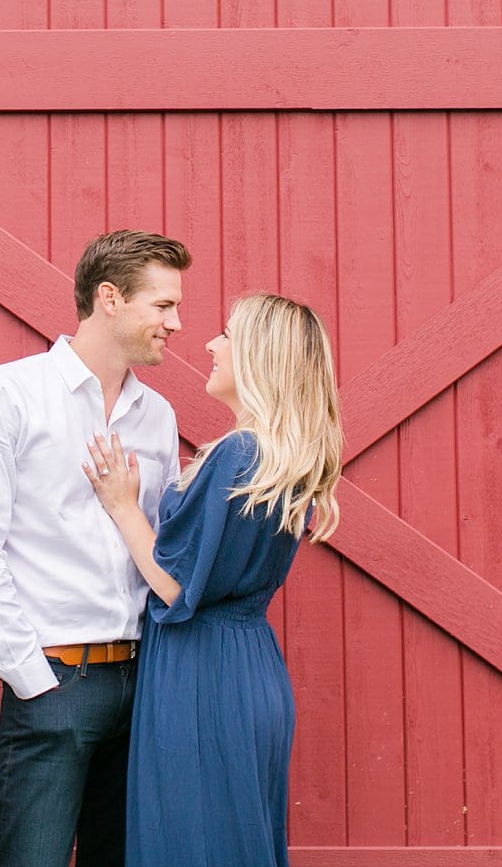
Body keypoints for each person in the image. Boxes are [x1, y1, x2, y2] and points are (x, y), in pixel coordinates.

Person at [0, 229, 192, 867]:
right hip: (56, 680)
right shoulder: (6, 395)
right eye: (162, 306)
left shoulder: (158, 416)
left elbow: (158, 547)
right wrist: (31, 678)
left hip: (144, 683)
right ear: (109, 298)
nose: (177, 323)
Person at [83, 292, 343, 867]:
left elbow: (174, 586)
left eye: (227, 335)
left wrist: (124, 507)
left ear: (258, 356)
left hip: (205, 671)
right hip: (246, 664)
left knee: (191, 842)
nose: (210, 344)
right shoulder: (278, 456)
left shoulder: (240, 454)